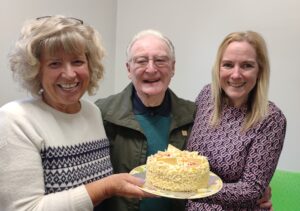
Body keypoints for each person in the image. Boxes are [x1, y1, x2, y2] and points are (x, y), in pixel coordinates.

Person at [95, 29, 273, 211]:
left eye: (160, 60)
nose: (151, 68)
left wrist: (255, 190)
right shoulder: (101, 114)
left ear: (173, 67)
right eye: (141, 61)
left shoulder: (191, 114)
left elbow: (203, 167)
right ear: (128, 69)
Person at [0, 15, 149, 211]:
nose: (69, 74)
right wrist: (107, 187)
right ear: (36, 70)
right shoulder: (16, 119)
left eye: (77, 61)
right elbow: (26, 209)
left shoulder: (92, 112)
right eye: (55, 63)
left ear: (90, 65)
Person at [186, 31, 286, 210]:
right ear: (218, 68)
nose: (236, 74)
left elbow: (251, 190)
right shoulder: (206, 96)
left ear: (260, 70)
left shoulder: (270, 119)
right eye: (228, 65)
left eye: (247, 65)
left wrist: (191, 188)